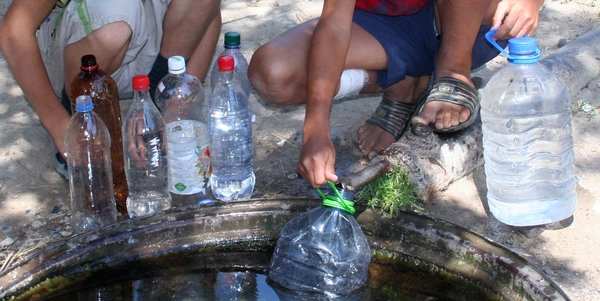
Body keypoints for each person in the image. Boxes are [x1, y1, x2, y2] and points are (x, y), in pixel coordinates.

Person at [248, 0, 544, 189]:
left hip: (470, 23)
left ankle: (452, 72)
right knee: (274, 74)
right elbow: (335, 26)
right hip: (384, 27)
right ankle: (405, 84)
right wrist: (316, 128)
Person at [0, 0, 221, 178]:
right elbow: (14, 31)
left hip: (146, 52)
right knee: (118, 12)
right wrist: (60, 126)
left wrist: (175, 111)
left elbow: (208, 16)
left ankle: (153, 103)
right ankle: (78, 117)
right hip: (80, 53)